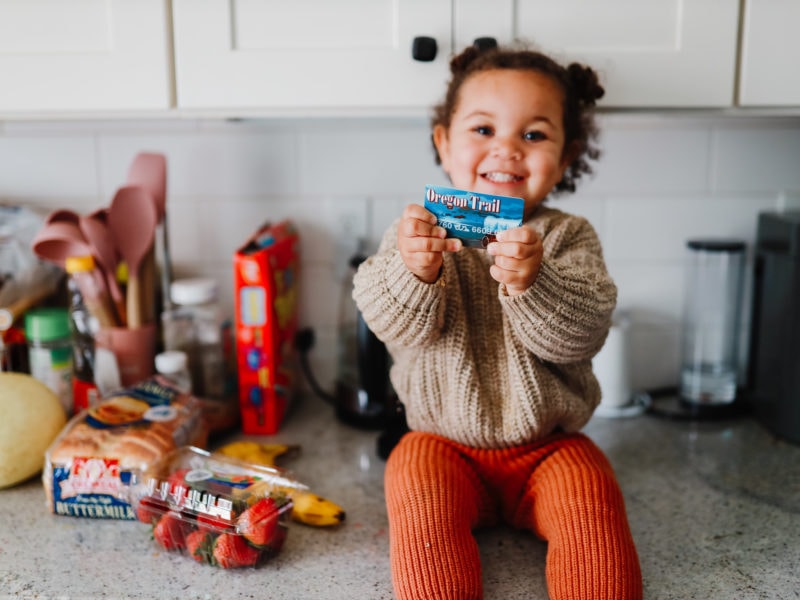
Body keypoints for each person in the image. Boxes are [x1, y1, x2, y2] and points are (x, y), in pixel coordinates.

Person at [353, 42, 643, 600]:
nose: (507, 149)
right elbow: (390, 324)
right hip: (440, 444)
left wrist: (537, 282)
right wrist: (414, 273)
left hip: (551, 446)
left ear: (564, 157)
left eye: (534, 135)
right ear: (444, 143)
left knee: (595, 514)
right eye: (483, 130)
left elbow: (585, 332)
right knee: (412, 489)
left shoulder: (568, 236)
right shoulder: (416, 232)